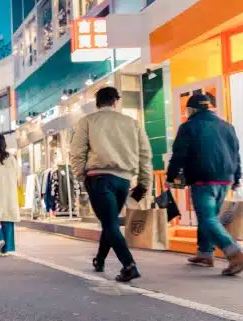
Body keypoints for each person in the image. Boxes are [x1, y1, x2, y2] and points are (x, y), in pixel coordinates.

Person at [70, 86, 153, 283]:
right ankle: (99, 260)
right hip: (123, 180)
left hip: (98, 178)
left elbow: (77, 152)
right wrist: (143, 182)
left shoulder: (87, 121)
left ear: (97, 102)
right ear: (115, 102)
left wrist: (81, 176)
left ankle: (129, 265)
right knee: (110, 221)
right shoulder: (132, 123)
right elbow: (145, 155)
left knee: (109, 222)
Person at [166, 93, 243, 276]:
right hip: (225, 178)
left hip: (203, 178)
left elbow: (179, 154)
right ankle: (205, 253)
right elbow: (236, 154)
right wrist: (237, 178)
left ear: (192, 109)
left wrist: (171, 176)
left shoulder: (189, 126)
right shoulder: (227, 126)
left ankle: (234, 252)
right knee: (209, 216)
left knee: (207, 217)